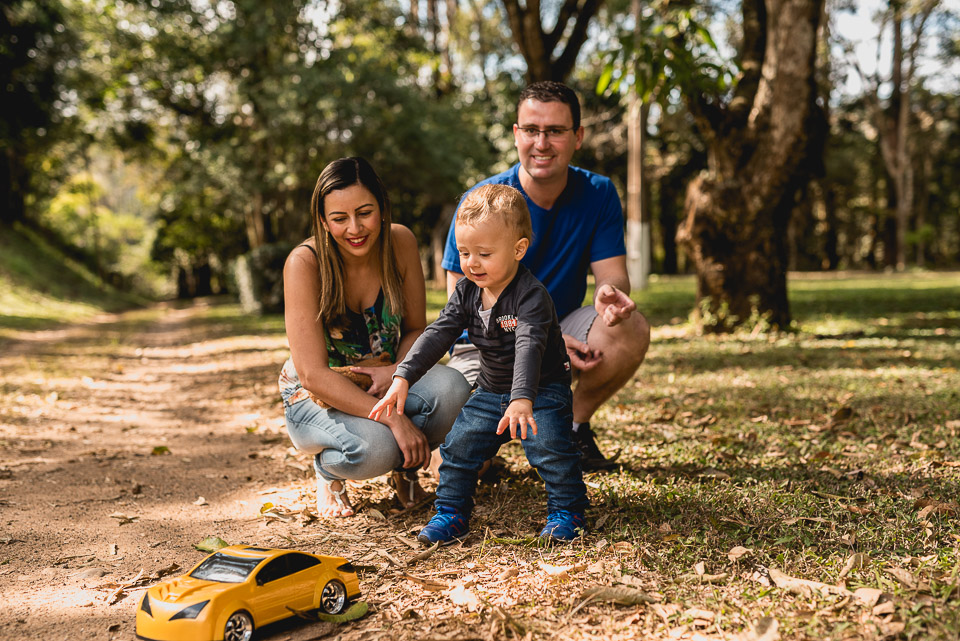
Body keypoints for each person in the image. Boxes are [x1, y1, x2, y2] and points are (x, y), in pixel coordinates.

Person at [442, 81, 651, 472]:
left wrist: (610, 295)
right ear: (517, 134)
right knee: (458, 461)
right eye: (532, 131)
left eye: (555, 131)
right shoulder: (481, 200)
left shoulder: (599, 192)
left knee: (631, 326)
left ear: (578, 137)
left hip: (562, 325)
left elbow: (613, 279)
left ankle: (573, 427)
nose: (542, 143)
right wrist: (539, 340)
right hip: (488, 344)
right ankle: (490, 445)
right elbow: (463, 310)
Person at [371, 184, 589, 545]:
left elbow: (529, 347)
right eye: (464, 252)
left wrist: (523, 398)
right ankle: (451, 512)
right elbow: (438, 333)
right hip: (491, 390)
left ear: (519, 250)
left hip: (541, 388)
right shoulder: (467, 292)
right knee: (458, 446)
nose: (471, 263)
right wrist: (403, 376)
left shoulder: (531, 296)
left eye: (484, 253)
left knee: (550, 445)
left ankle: (567, 510)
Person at [278, 157, 470, 518]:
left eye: (364, 212)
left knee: (453, 389)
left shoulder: (400, 242)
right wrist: (394, 419)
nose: (354, 228)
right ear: (323, 220)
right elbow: (312, 375)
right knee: (376, 447)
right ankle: (329, 471)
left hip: (387, 378)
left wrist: (399, 372)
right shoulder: (304, 264)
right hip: (319, 396)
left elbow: (415, 328)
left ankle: (405, 467)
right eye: (338, 219)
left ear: (382, 207)